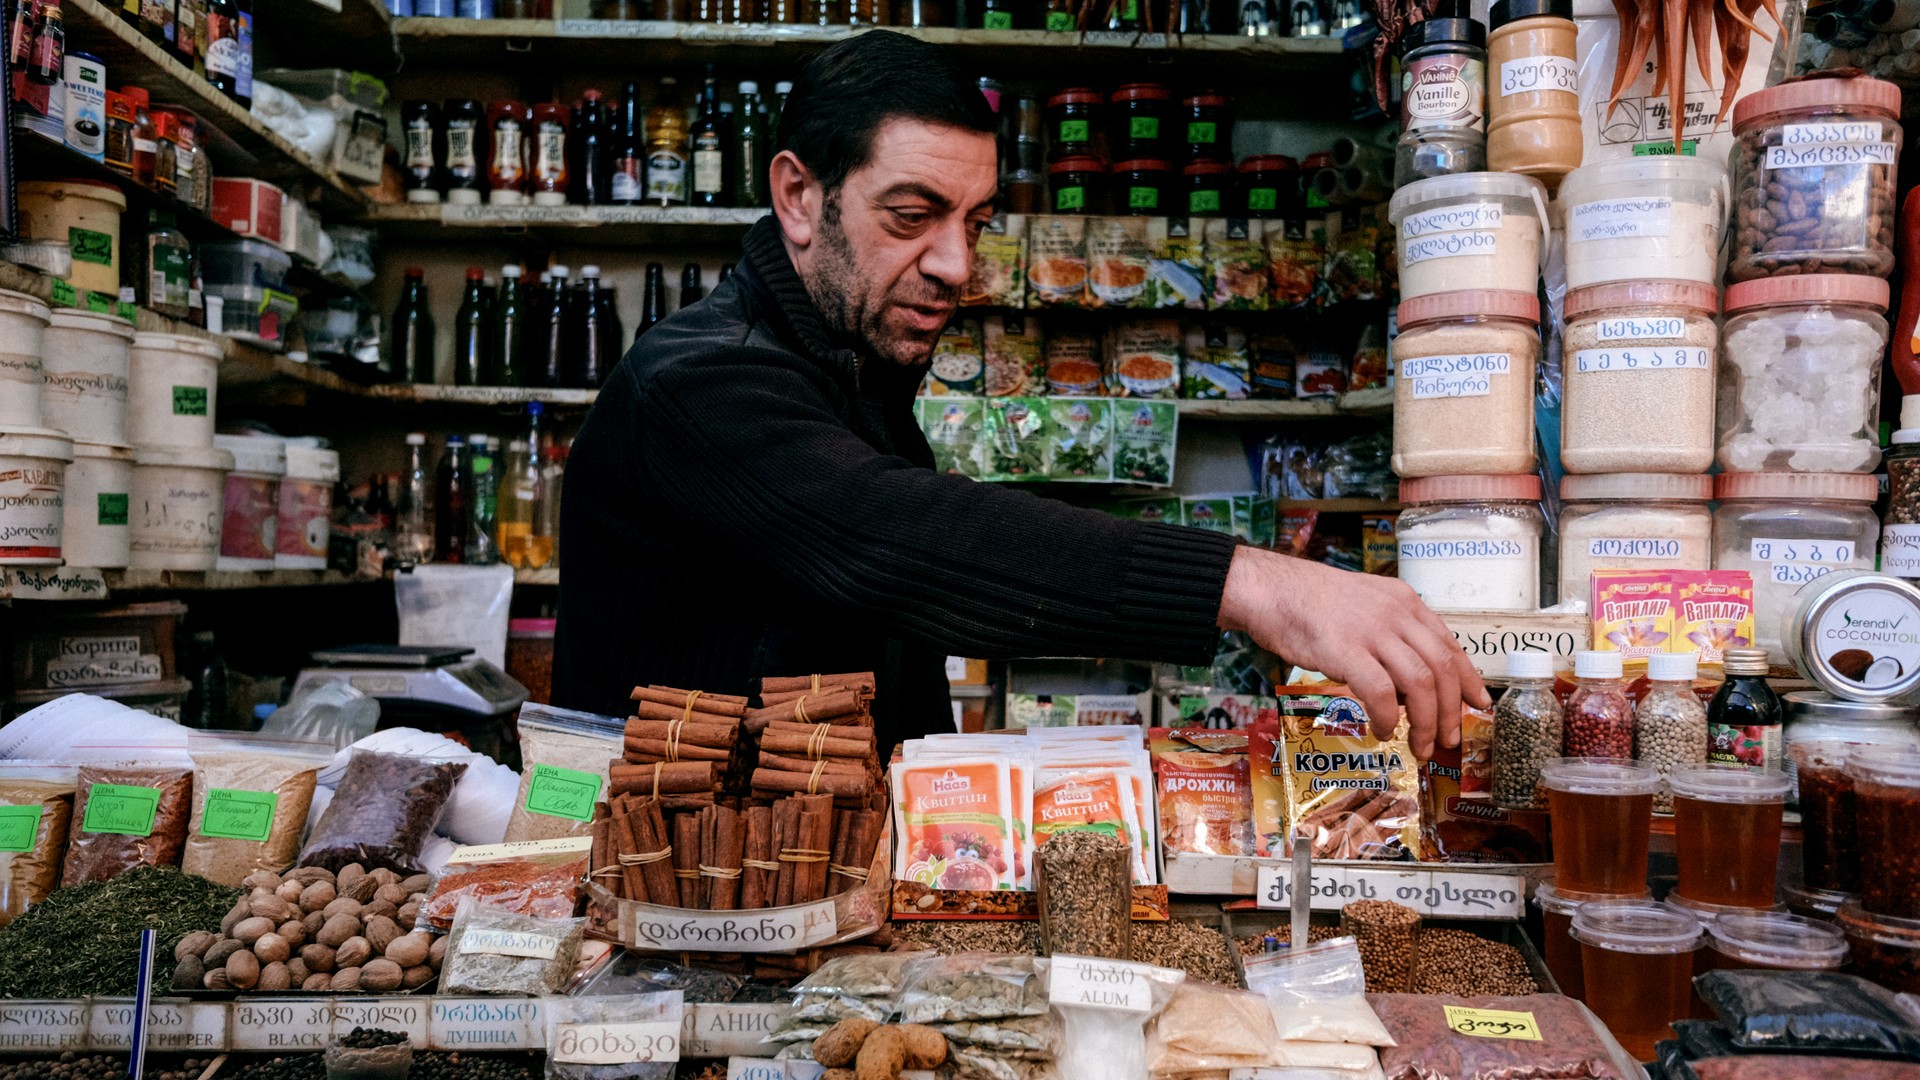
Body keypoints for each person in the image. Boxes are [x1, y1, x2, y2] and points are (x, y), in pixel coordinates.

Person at [552, 31, 1485, 757]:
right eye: (912, 217)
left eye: (978, 221)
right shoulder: (698, 382)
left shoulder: (855, 366)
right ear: (799, 197)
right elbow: (897, 537)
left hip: (820, 903)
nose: (957, 264)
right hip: (677, 925)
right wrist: (1252, 582)